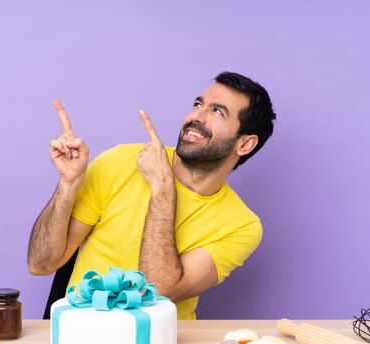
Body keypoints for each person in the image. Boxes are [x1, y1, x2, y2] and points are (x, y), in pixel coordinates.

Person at [28, 71, 276, 320]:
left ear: (244, 144)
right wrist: (68, 184)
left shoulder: (242, 226)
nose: (195, 117)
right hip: (84, 336)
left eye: (217, 112)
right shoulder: (119, 162)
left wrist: (162, 188)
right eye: (198, 104)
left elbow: (159, 290)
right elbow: (40, 264)